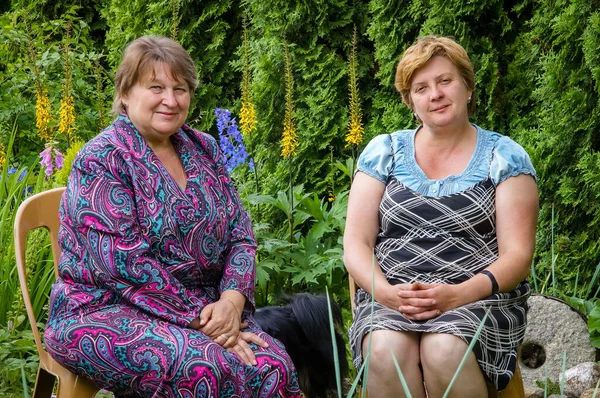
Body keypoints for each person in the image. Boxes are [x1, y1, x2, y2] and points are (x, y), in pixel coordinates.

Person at [44, 35, 300, 398]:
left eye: (180, 89)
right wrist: (205, 321)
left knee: (271, 362)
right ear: (126, 92)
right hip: (102, 311)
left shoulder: (204, 148)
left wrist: (231, 302)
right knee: (203, 367)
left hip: (209, 313)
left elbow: (240, 235)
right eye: (156, 87)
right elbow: (123, 263)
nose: (171, 100)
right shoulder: (102, 158)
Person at [344, 35, 538, 397]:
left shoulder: (505, 157)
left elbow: (518, 256)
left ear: (467, 87)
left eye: (445, 81)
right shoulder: (382, 152)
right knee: (385, 350)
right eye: (421, 87)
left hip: (476, 299)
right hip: (392, 294)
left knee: (443, 349)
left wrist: (457, 295)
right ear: (410, 102)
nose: (435, 94)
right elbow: (356, 243)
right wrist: (386, 294)